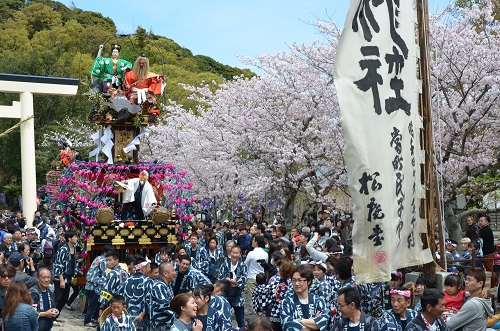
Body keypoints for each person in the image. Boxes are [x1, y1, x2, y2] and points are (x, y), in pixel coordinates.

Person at [280, 265, 329, 331]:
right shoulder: (286, 302)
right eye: (294, 280)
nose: (296, 283)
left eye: (300, 280)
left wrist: (298, 320)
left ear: (309, 282)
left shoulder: (318, 301)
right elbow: (288, 325)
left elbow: (323, 322)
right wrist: (313, 323)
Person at [120, 256, 153, 331]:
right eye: (148, 267)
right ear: (143, 268)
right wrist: (142, 314)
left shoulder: (126, 281)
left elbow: (120, 299)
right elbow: (149, 300)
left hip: (128, 319)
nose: (150, 269)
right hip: (143, 319)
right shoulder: (148, 281)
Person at [218, 245, 248, 328]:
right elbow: (221, 279)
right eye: (233, 252)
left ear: (240, 254)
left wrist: (229, 280)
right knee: (225, 318)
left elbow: (243, 281)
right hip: (226, 296)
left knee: (241, 321)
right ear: (230, 253)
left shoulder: (243, 266)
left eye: (236, 253)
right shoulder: (224, 265)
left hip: (238, 297)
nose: (234, 255)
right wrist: (234, 282)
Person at [84, 245, 114, 327]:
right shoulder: (104, 261)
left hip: (91, 285)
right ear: (106, 252)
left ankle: (93, 318)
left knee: (95, 304)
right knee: (93, 305)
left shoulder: (98, 258)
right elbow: (104, 275)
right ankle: (87, 321)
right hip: (95, 286)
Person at [52, 230, 79, 315]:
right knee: (58, 298)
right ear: (69, 239)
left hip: (68, 278)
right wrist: (61, 280)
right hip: (61, 278)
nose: (76, 239)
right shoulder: (63, 249)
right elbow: (58, 264)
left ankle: (56, 316)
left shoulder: (74, 248)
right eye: (74, 237)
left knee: (64, 299)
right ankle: (52, 316)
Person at [244, 235, 268, 317]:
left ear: (256, 242)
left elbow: (245, 264)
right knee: (261, 296)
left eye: (253, 240)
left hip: (252, 277)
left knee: (252, 297)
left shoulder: (251, 253)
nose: (252, 242)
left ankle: (256, 315)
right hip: (262, 277)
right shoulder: (265, 254)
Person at [150, 262, 176, 331]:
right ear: (165, 273)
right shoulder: (159, 286)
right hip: (161, 326)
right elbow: (164, 306)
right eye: (173, 271)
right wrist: (181, 313)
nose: (175, 273)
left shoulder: (167, 285)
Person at [478, 214, 496, 284]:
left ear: (487, 222)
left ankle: (492, 284)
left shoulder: (487, 230)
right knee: (488, 268)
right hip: (485, 252)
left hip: (488, 252)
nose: (480, 222)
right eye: (479, 221)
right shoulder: (483, 229)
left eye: (481, 221)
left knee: (489, 269)